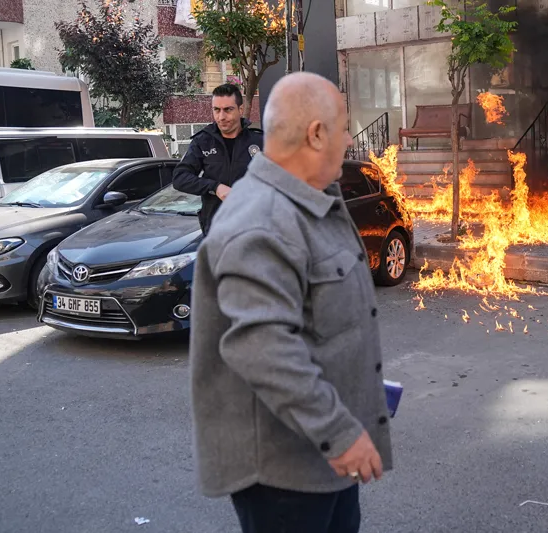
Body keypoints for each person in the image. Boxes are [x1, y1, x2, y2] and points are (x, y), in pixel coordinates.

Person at [189, 72, 393, 533]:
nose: (349, 140)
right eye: (343, 128)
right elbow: (261, 346)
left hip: (323, 458)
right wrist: (340, 433)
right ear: (317, 133)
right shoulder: (261, 219)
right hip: (286, 474)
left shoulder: (307, 201)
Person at [172, 83, 264, 234]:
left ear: (240, 110)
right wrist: (215, 187)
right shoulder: (203, 141)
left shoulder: (259, 141)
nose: (221, 117)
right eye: (217, 110)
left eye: (228, 110)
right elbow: (180, 178)